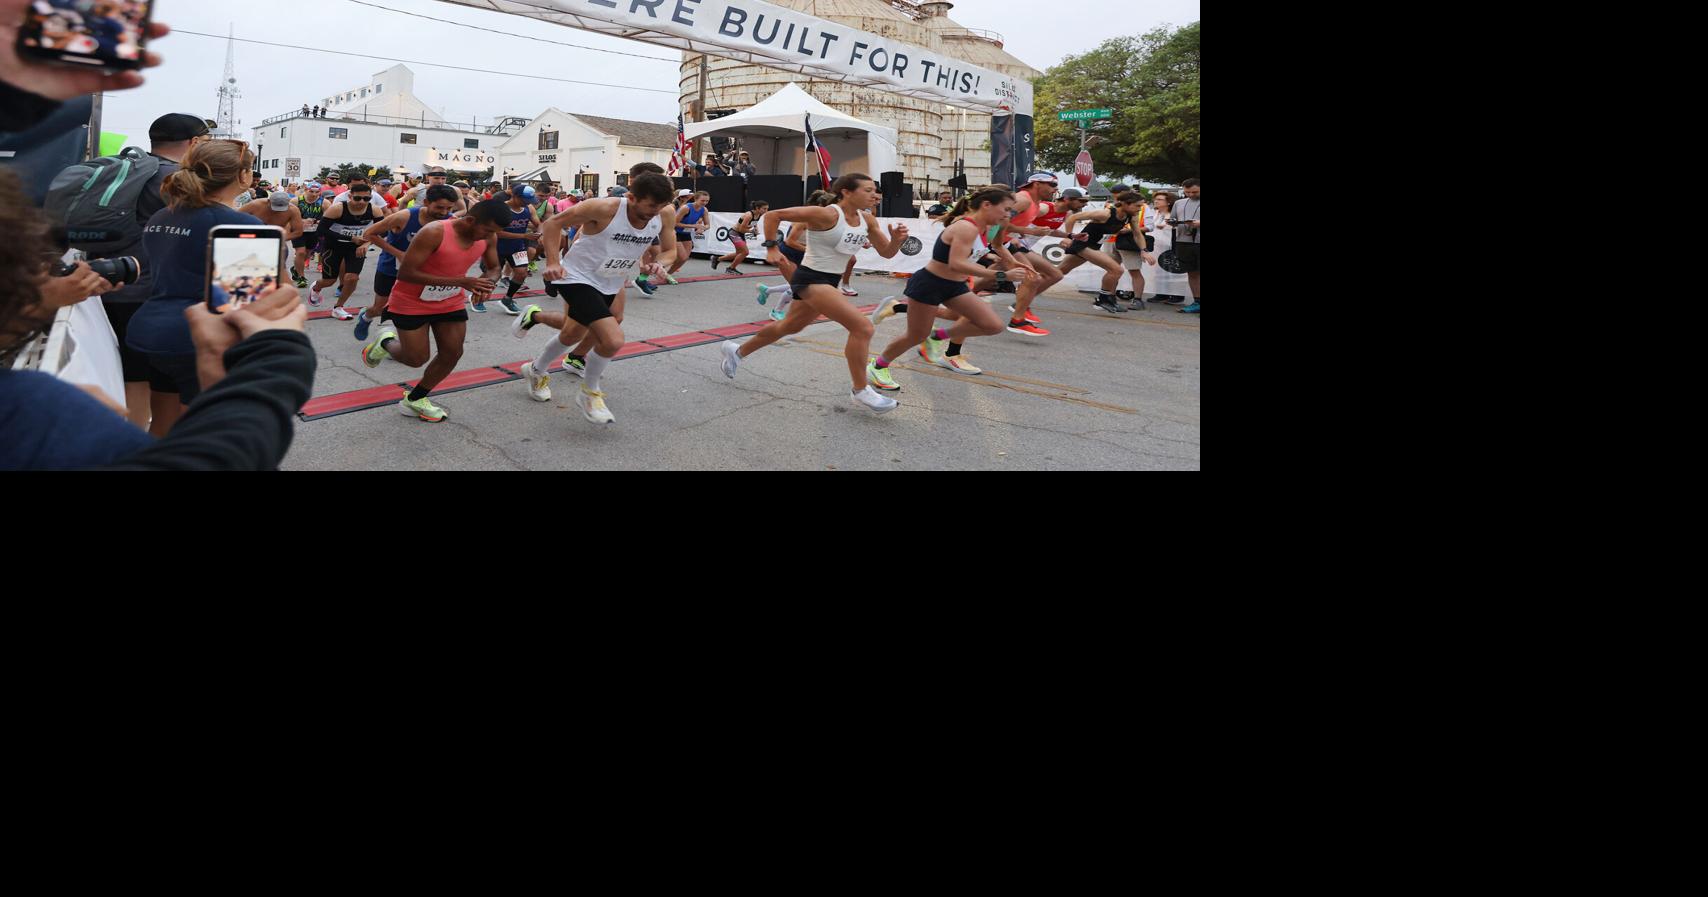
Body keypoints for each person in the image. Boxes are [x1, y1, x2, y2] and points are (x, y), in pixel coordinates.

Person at [721, 173, 909, 414]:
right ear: (847, 192)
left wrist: (896, 240)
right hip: (810, 277)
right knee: (862, 327)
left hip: (830, 280)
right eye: (869, 190)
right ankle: (861, 391)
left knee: (788, 326)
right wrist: (771, 248)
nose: (875, 195)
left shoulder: (868, 220)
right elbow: (773, 215)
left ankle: (736, 351)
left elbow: (887, 253)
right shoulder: (827, 214)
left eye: (876, 191)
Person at [509, 172, 677, 426]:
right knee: (612, 339)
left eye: (661, 206)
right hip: (576, 276)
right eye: (650, 207)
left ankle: (535, 369)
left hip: (611, 278)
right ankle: (590, 392)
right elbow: (554, 223)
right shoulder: (602, 207)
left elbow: (670, 250)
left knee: (573, 333)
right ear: (631, 197)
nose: (655, 213)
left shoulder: (663, 213)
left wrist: (660, 265)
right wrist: (553, 261)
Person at [120, 138, 261, 437]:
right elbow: (245, 302)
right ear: (243, 175)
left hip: (150, 331)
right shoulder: (240, 224)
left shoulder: (163, 215)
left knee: (163, 424)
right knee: (207, 434)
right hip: (200, 338)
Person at [97, 112, 211, 431]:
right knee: (154, 384)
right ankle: (141, 447)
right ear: (194, 143)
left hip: (111, 281)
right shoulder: (176, 178)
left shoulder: (130, 169)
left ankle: (134, 442)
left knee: (131, 375)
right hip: (150, 292)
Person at [862, 186, 1031, 393]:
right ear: (987, 205)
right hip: (930, 284)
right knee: (914, 335)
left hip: (955, 286)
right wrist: (1002, 275)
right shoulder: (965, 227)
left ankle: (936, 337)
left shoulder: (985, 227)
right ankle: (878, 366)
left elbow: (995, 247)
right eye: (1006, 209)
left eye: (1011, 211)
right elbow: (956, 263)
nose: (1008, 215)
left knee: (992, 325)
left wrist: (1013, 263)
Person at [359, 199, 507, 422]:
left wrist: (488, 282)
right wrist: (461, 281)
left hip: (449, 301)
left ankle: (415, 399)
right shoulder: (434, 232)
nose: (489, 236)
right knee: (416, 358)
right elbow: (406, 273)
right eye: (487, 230)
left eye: (494, 232)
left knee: (453, 353)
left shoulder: (489, 236)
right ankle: (385, 343)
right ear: (470, 220)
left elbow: (495, 267)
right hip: (411, 301)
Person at [354, 184, 459, 343]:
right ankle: (366, 317)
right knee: (381, 308)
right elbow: (369, 234)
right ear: (425, 202)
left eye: (449, 208)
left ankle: (402, 343)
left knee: (410, 310)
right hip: (391, 268)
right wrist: (399, 254)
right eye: (439, 207)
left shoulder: (451, 220)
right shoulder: (405, 216)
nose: (444, 213)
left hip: (421, 273)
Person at [1058, 192, 1151, 314]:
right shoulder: (1105, 214)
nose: (1140, 209)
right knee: (1116, 270)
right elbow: (1072, 218)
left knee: (1059, 272)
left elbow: (1137, 234)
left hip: (1094, 246)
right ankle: (1102, 301)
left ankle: (1031, 285)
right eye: (1137, 206)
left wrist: (1143, 250)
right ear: (1125, 204)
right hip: (1082, 245)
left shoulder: (1130, 216)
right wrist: (1068, 237)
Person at [753, 189, 832, 322]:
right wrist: (810, 249)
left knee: (802, 285)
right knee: (797, 286)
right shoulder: (804, 219)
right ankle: (776, 311)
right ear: (820, 206)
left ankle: (767, 291)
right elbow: (790, 241)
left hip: (802, 254)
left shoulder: (822, 219)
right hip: (789, 252)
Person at [311, 182, 383, 320]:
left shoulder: (374, 210)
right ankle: (316, 288)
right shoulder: (338, 209)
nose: (362, 202)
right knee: (329, 281)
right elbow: (320, 231)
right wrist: (351, 238)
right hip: (334, 246)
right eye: (357, 198)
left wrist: (366, 243)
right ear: (350, 196)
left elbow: (382, 231)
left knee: (352, 278)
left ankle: (338, 307)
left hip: (356, 248)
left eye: (366, 199)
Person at [489, 185, 539, 314]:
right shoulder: (501, 208)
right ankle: (476, 297)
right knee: (492, 277)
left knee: (522, 273)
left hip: (517, 246)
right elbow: (497, 232)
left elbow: (540, 224)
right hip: (497, 246)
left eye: (530, 200)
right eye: (525, 199)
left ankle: (507, 299)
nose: (527, 202)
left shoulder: (528, 208)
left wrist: (540, 232)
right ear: (515, 196)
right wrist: (524, 235)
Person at [711, 201, 765, 276]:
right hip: (734, 233)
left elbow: (754, 223)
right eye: (764, 209)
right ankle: (731, 268)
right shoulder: (749, 215)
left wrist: (756, 229)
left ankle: (717, 259)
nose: (766, 211)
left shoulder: (759, 214)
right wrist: (751, 231)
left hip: (740, 234)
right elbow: (741, 229)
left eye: (767, 209)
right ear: (757, 208)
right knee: (745, 252)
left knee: (739, 253)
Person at [668, 190, 709, 280]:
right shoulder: (686, 208)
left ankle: (667, 273)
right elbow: (674, 223)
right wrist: (693, 225)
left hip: (686, 233)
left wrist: (701, 228)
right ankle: (661, 269)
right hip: (675, 232)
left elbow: (707, 225)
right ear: (695, 199)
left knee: (684, 258)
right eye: (702, 201)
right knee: (682, 257)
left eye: (707, 201)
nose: (705, 203)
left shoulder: (704, 210)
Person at [1173, 178, 1200, 313]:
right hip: (1184, 241)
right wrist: (1172, 222)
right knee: (1192, 272)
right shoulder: (1179, 203)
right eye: (1187, 192)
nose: (1190, 195)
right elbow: (1174, 219)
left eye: (1194, 191)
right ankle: (1197, 301)